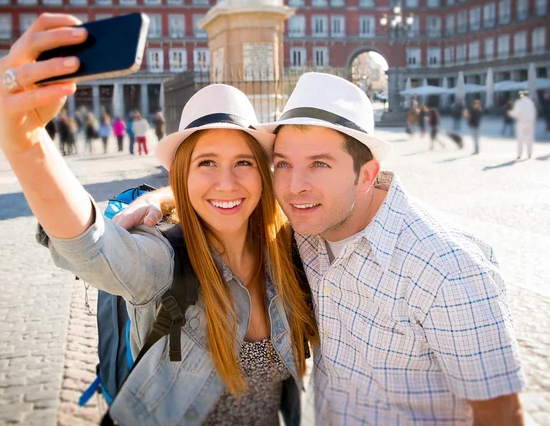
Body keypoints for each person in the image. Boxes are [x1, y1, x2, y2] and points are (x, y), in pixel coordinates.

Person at [123, 73, 526, 425]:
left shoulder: (448, 270)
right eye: (282, 164)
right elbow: (223, 188)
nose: (295, 187)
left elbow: (502, 415)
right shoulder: (305, 231)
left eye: (319, 163)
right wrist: (164, 197)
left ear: (367, 174)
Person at [0, 15, 317, 425]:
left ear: (263, 173)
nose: (227, 182)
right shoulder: (164, 263)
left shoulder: (288, 252)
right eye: (206, 163)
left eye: (243, 162)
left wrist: (167, 196)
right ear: (182, 175)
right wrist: (25, 142)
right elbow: (91, 246)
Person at [510, 90, 537, 160]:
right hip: (529, 123)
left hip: (521, 123)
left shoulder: (519, 102)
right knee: (529, 138)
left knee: (520, 139)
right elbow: (534, 113)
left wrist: (510, 113)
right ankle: (529, 154)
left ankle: (519, 154)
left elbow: (516, 113)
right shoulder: (531, 103)